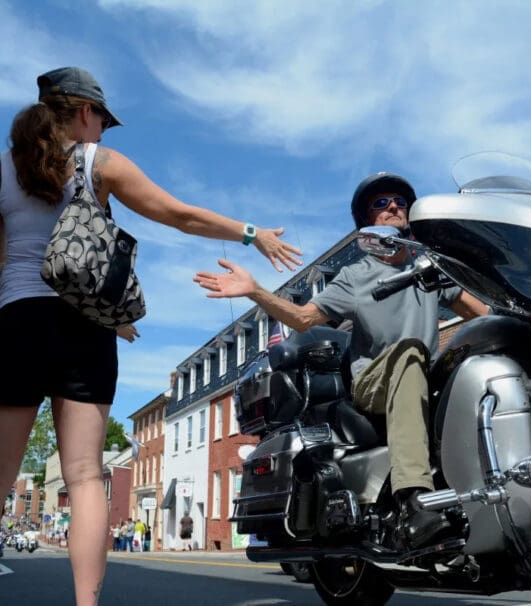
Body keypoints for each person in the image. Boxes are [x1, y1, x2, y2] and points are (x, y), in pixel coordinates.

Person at [0, 66, 302, 606]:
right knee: (88, 475)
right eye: (101, 121)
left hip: (17, 320)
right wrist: (250, 233)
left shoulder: (3, 170)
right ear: (86, 113)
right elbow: (179, 215)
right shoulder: (97, 162)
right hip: (84, 329)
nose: (102, 133)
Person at [194, 171, 488, 549]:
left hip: (421, 375)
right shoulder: (355, 276)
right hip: (373, 381)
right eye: (381, 203)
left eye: (400, 201)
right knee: (410, 351)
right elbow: (303, 318)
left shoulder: (428, 267)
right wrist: (255, 291)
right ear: (368, 222)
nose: (393, 206)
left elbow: (481, 315)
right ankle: (413, 502)